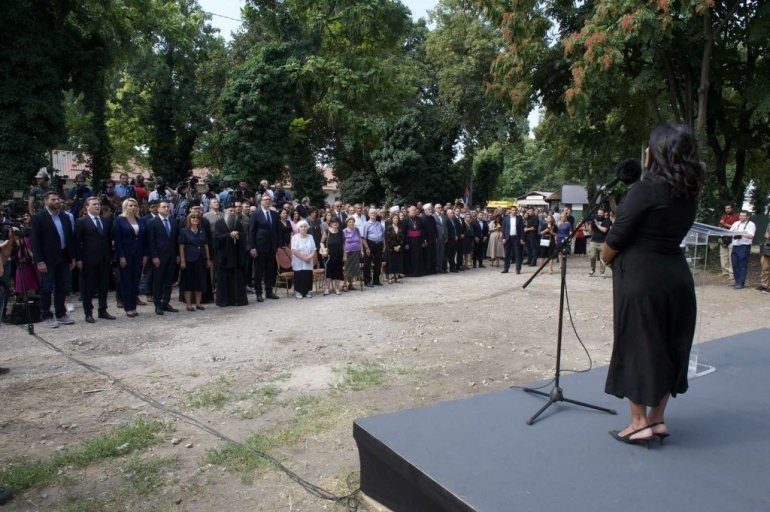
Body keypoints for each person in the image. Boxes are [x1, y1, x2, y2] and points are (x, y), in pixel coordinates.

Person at [601, 123, 705, 445]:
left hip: (642, 278)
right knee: (670, 345)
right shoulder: (688, 192)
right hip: (677, 276)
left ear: (657, 152)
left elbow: (615, 239)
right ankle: (658, 420)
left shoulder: (644, 190)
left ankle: (638, 423)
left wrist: (605, 257)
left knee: (639, 346)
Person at [30, 192, 76, 328]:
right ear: (46, 201)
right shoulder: (38, 217)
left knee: (62, 286)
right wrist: (39, 261)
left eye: (58, 199)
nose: (56, 201)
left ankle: (60, 313)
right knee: (47, 287)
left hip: (63, 257)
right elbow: (35, 241)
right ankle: (45, 314)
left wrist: (72, 257)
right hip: (47, 259)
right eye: (53, 199)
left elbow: (69, 238)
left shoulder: (64, 217)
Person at [74, 197, 116, 323]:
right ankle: (88, 312)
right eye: (94, 204)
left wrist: (110, 256)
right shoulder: (81, 221)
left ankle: (103, 310)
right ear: (87, 207)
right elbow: (77, 242)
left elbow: (109, 240)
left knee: (104, 286)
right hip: (88, 259)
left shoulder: (106, 221)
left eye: (98, 204)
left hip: (104, 259)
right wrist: (78, 259)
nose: (97, 206)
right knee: (89, 287)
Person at [113, 198, 146, 317]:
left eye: (135, 205)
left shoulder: (140, 220)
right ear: (125, 207)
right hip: (126, 254)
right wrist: (121, 256)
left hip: (138, 254)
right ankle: (128, 307)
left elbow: (143, 238)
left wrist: (145, 255)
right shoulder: (119, 220)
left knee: (135, 280)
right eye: (130, 205)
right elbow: (118, 240)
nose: (133, 207)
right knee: (126, 280)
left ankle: (134, 306)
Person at [146, 200, 180, 315]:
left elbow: (175, 240)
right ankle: (158, 304)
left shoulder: (173, 221)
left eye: (168, 207)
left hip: (171, 256)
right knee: (158, 281)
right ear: (158, 209)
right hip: (159, 257)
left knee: (168, 281)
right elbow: (150, 241)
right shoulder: (152, 222)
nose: (166, 209)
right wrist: (154, 256)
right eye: (164, 207)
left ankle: (166, 302)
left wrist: (177, 254)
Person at [215, 204, 249, 306]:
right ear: (225, 211)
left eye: (234, 211)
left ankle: (237, 300)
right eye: (231, 210)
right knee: (223, 279)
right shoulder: (219, 223)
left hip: (235, 256)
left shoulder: (238, 223)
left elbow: (243, 236)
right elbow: (217, 237)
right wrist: (229, 235)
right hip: (224, 256)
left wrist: (238, 236)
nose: (233, 213)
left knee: (237, 278)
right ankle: (224, 301)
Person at [250, 194, 281, 302]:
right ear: (261, 202)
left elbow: (277, 231)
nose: (267, 201)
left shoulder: (274, 214)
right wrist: (252, 247)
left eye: (269, 199)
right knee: (259, 271)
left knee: (270, 270)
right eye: (265, 200)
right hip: (259, 247)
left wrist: (278, 246)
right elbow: (252, 232)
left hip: (271, 247)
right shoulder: (256, 214)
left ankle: (269, 291)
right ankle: (259, 293)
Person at [179, 212, 211, 310]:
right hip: (189, 259)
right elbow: (181, 246)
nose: (195, 219)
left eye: (197, 218)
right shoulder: (184, 231)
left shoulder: (202, 230)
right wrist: (182, 260)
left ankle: (198, 303)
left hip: (201, 258)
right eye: (193, 217)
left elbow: (205, 245)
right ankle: (189, 304)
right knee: (188, 282)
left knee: (200, 281)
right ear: (189, 219)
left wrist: (208, 258)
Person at [729, 211, 756, 289]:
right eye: (740, 215)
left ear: (748, 216)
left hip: (744, 246)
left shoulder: (751, 224)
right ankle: (737, 281)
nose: (741, 217)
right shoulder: (736, 223)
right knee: (734, 264)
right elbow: (730, 232)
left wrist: (741, 233)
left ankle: (741, 283)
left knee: (742, 265)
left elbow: (751, 236)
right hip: (735, 245)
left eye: (743, 216)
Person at [291, 220, 316, 298]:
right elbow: (294, 250)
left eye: (305, 226)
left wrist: (309, 257)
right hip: (298, 260)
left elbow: (314, 249)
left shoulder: (310, 237)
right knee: (299, 275)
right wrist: (304, 258)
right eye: (301, 226)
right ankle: (298, 292)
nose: (303, 228)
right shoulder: (295, 237)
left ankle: (306, 291)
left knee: (307, 275)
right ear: (299, 228)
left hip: (308, 259)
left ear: (307, 228)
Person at [320, 216, 344, 295]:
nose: (335, 224)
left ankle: (337, 289)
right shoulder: (327, 232)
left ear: (339, 223)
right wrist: (324, 250)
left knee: (338, 271)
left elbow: (344, 244)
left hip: (339, 255)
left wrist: (345, 255)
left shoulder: (341, 232)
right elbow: (322, 242)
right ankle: (327, 289)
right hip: (329, 256)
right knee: (328, 272)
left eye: (337, 222)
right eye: (333, 222)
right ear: (330, 223)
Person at [362, 208, 385, 287]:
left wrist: (384, 245)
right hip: (370, 244)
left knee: (378, 262)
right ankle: (367, 281)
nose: (373, 214)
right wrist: (367, 248)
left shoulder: (380, 224)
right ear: (369, 215)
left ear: (376, 214)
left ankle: (376, 280)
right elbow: (363, 238)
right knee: (367, 263)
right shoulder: (366, 224)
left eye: (374, 213)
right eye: (371, 213)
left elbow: (383, 236)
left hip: (379, 244)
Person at [588, 208, 611, 276]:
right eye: (598, 213)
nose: (599, 215)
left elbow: (604, 230)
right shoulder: (595, 220)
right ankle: (592, 269)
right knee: (592, 256)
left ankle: (602, 272)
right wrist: (590, 223)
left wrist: (597, 224)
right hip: (594, 241)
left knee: (602, 258)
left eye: (601, 213)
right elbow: (590, 231)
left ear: (604, 214)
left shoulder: (607, 221)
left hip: (603, 242)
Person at [718, 204, 739, 277]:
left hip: (731, 238)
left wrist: (725, 224)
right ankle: (725, 271)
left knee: (731, 256)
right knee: (723, 255)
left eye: (728, 208)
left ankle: (731, 273)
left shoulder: (736, 216)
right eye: (726, 208)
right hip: (723, 238)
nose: (727, 210)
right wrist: (720, 225)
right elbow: (720, 226)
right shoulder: (724, 216)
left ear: (732, 208)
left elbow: (735, 228)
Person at [501, 207, 524, 274]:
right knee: (507, 254)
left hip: (516, 237)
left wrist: (521, 238)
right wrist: (503, 238)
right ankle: (506, 268)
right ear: (510, 211)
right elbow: (503, 228)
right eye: (513, 210)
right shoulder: (506, 218)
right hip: (508, 238)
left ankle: (518, 269)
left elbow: (522, 229)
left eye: (515, 210)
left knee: (517, 254)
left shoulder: (519, 218)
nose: (514, 211)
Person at [404, 206, 425, 277]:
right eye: (412, 210)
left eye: (415, 210)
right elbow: (404, 233)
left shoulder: (419, 219)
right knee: (411, 257)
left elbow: (422, 231)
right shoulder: (405, 220)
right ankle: (411, 272)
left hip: (418, 240)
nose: (413, 211)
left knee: (418, 256)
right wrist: (406, 243)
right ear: (409, 211)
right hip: (410, 241)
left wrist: (423, 241)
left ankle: (418, 272)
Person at [343, 216, 362, 291]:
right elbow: (343, 243)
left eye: (353, 222)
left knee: (354, 268)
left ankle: (350, 284)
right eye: (350, 222)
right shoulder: (344, 231)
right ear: (347, 223)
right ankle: (344, 285)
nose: (351, 223)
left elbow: (360, 240)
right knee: (347, 268)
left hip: (356, 251)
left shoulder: (357, 230)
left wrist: (362, 250)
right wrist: (344, 253)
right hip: (348, 252)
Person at [385, 212, 405, 283]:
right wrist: (394, 247)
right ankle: (390, 278)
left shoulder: (400, 228)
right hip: (391, 248)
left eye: (397, 218)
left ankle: (396, 277)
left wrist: (399, 246)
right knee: (391, 263)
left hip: (399, 248)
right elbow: (388, 239)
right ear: (392, 219)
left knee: (398, 262)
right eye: (394, 218)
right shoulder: (389, 228)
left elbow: (402, 238)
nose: (396, 220)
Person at [758, 223, 770, 293]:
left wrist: (768, 235)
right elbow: (766, 234)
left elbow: (768, 235)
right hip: (768, 246)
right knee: (765, 267)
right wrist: (767, 235)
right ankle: (764, 285)